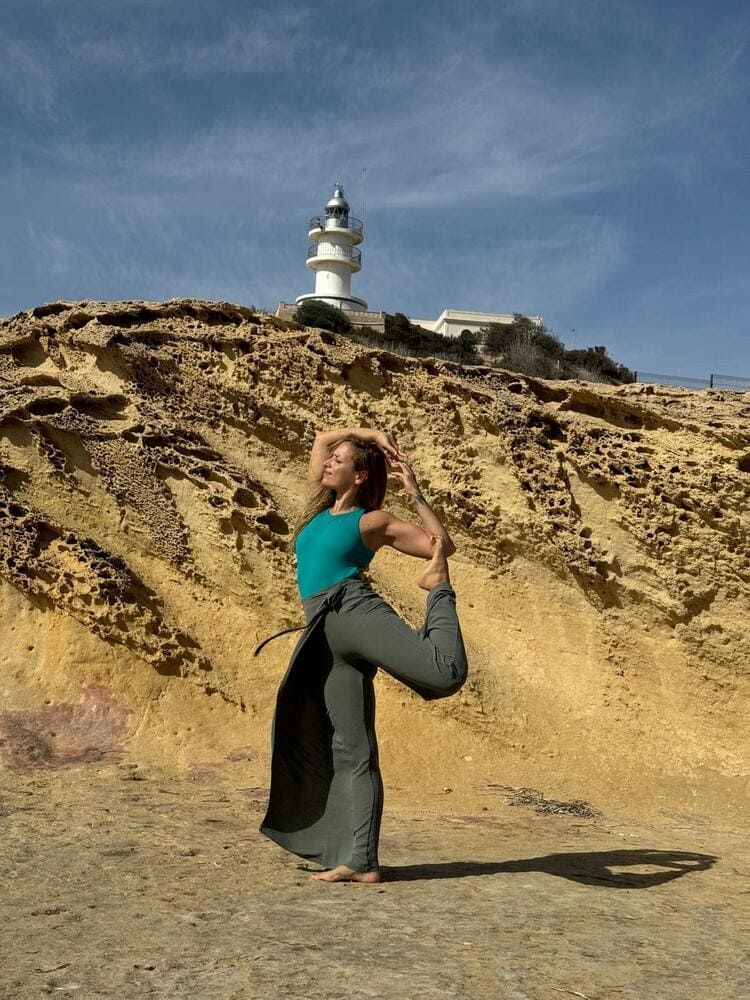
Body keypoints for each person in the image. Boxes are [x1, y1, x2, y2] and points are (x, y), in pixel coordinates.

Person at [255, 426, 468, 883]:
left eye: (341, 459)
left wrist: (413, 491)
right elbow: (318, 439)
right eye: (331, 459)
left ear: (359, 474)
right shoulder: (319, 510)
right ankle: (361, 861)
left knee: (443, 674)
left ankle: (439, 595)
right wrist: (369, 432)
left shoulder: (371, 521)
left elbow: (439, 546)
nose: (329, 462)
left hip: (353, 611)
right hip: (321, 631)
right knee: (351, 748)